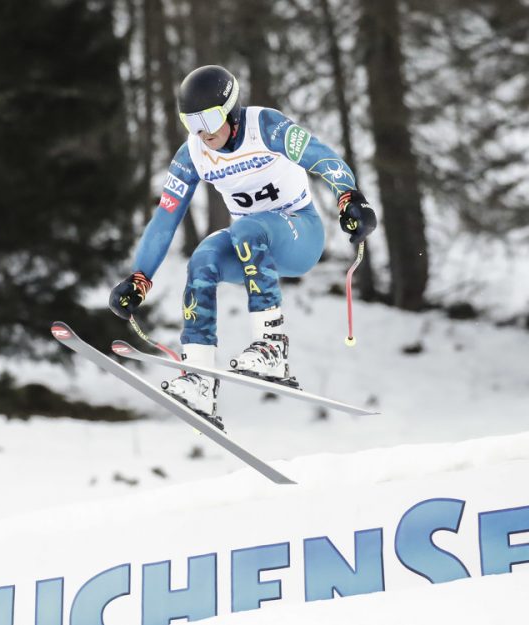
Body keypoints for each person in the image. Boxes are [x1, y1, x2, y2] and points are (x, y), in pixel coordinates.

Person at [108, 65, 377, 425]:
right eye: (191, 123)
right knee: (203, 259)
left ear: (232, 111)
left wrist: (348, 196)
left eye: (209, 118)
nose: (202, 132)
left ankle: (271, 346)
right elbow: (164, 221)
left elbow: (322, 156)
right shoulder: (193, 155)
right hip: (251, 247)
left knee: (247, 230)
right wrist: (139, 277)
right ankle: (199, 378)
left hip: (300, 234)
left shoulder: (265, 127)